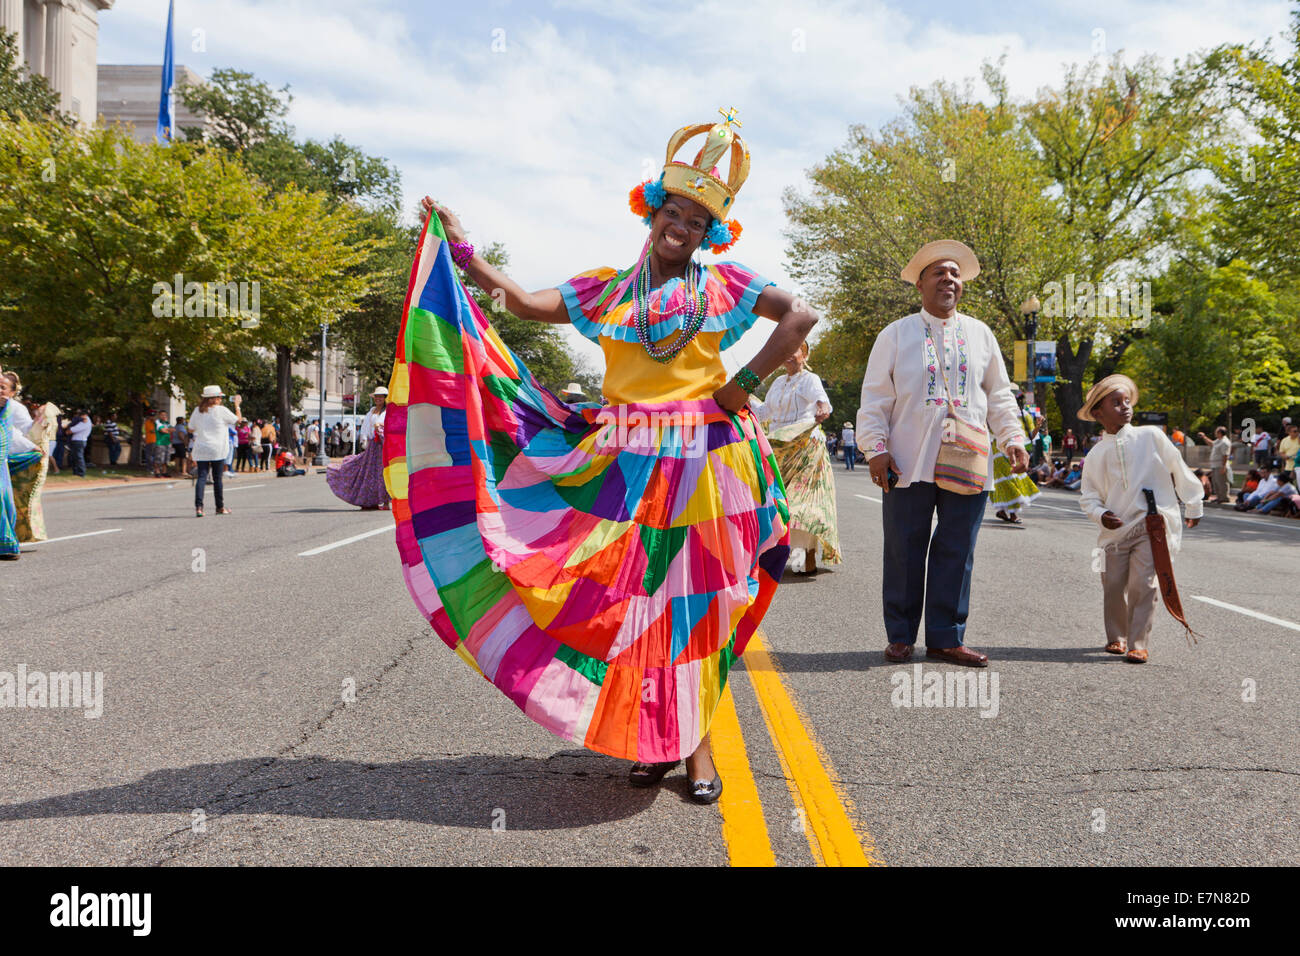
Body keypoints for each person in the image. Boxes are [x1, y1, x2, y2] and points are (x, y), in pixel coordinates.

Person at [403, 111, 813, 803]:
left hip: (710, 466)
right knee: (634, 610)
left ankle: (698, 749)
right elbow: (529, 305)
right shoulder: (605, 289)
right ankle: (653, 738)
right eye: (672, 211)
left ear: (710, 233)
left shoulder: (724, 285)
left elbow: (799, 315)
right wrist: (465, 253)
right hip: (627, 468)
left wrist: (741, 385)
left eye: (695, 221)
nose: (679, 227)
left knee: (698, 613)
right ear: (652, 212)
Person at [858, 239, 1028, 668]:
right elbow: (876, 397)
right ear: (920, 284)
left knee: (957, 549)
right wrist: (875, 449)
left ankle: (946, 638)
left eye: (954, 274)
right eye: (938, 272)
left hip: (968, 457)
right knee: (904, 548)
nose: (948, 279)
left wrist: (1013, 438)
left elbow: (999, 395)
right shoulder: (895, 334)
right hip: (907, 459)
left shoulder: (981, 334)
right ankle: (900, 636)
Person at [1078, 375, 1201, 664]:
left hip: (1151, 525)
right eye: (1116, 403)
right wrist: (1100, 514)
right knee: (1112, 585)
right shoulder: (1096, 454)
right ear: (1098, 413)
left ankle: (1138, 642)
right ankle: (1116, 637)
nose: (1125, 407)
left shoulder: (1151, 437)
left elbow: (1177, 466)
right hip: (1115, 533)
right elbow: (1089, 496)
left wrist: (1193, 504)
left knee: (1144, 584)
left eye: (1127, 402)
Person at [756, 340, 840, 574]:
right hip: (780, 447)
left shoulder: (809, 379)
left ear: (804, 355)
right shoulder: (778, 382)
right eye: (785, 351)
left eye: (794, 351)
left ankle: (804, 557)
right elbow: (764, 412)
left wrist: (823, 408)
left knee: (801, 502)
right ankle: (775, 552)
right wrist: (741, 402)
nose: (789, 356)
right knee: (776, 500)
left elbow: (823, 400)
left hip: (805, 446)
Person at [0, 370, 52, 558]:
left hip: (6, 458)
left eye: (2, 387)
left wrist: (41, 423)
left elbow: (23, 432)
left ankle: (7, 544)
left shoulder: (11, 407)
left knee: (4, 500)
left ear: (13, 392)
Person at [326, 387, 390, 510]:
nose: (378, 398)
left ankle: (385, 502)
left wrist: (380, 427)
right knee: (369, 473)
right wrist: (364, 439)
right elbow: (366, 428)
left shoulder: (387, 412)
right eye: (377, 396)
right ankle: (369, 500)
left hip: (383, 445)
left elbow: (389, 426)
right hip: (372, 445)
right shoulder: (371, 412)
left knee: (383, 473)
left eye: (381, 396)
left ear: (385, 398)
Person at [188, 387, 242, 517]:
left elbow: (190, 429)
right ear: (213, 398)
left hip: (201, 448)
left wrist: (202, 429)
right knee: (217, 479)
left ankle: (199, 507)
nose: (220, 399)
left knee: (202, 477)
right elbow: (238, 420)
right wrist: (237, 406)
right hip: (217, 448)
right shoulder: (221, 410)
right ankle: (219, 507)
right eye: (219, 397)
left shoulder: (197, 410)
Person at [1197, 426, 1231, 502]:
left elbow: (1225, 455)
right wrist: (1204, 437)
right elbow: (1211, 443)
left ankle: (1224, 497)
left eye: (1216, 432)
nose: (1215, 433)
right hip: (1215, 465)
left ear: (1220, 433)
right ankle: (1219, 497)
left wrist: (1223, 466)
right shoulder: (1219, 440)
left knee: (1222, 482)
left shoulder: (1224, 442)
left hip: (1220, 465)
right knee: (1216, 482)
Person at [67, 409, 91, 477]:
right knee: (75, 457)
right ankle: (76, 472)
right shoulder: (84, 421)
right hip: (78, 441)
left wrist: (69, 429)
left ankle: (81, 473)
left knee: (79, 457)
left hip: (79, 441)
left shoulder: (85, 422)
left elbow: (71, 430)